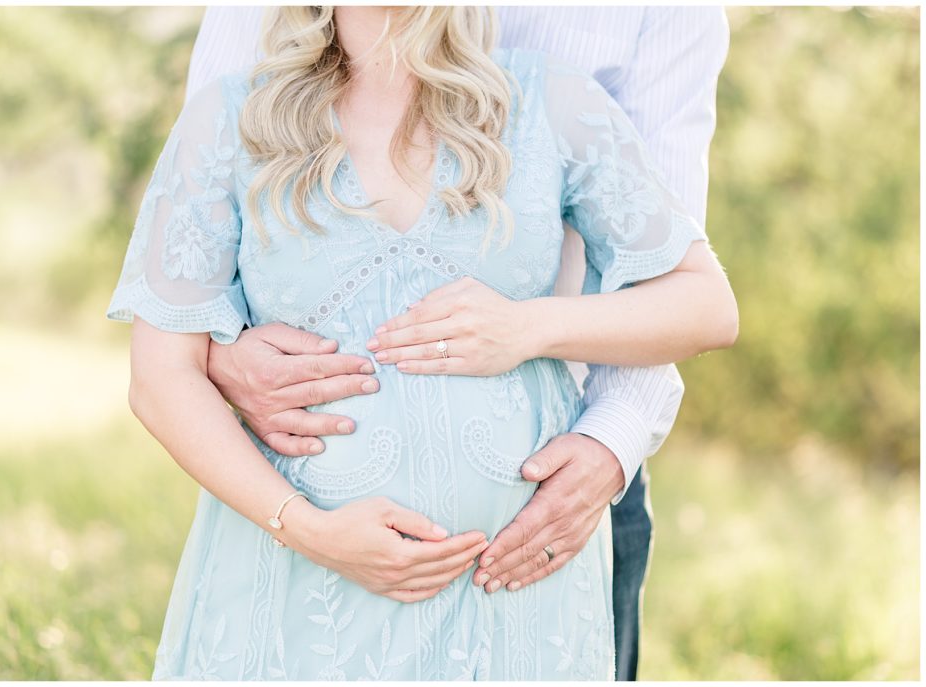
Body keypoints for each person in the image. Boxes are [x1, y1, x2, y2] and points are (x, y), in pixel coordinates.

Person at [108, 6, 737, 680]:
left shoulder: (553, 103)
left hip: (514, 597)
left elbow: (704, 303)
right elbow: (161, 372)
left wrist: (528, 329)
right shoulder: (231, 118)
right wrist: (309, 528)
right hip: (297, 582)